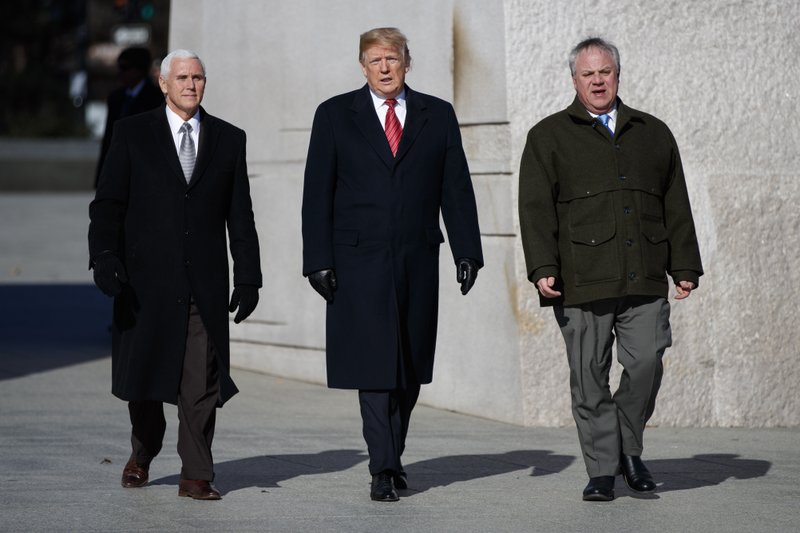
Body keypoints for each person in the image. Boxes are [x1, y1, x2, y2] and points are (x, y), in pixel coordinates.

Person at [301, 27, 483, 502]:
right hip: (357, 261)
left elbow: (455, 187)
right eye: (375, 60)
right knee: (374, 365)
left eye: (393, 59)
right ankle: (382, 467)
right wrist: (317, 260)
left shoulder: (437, 115)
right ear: (362, 66)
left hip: (417, 257)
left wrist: (467, 250)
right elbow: (316, 193)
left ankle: (392, 453)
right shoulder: (335, 115)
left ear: (407, 62)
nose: (384, 68)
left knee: (410, 364)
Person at [518, 37, 703, 502]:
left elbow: (676, 203)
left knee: (645, 364)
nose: (598, 80)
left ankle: (625, 448)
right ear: (574, 80)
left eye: (606, 72)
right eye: (588, 74)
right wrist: (543, 266)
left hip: (644, 274)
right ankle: (604, 471)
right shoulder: (548, 136)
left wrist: (684, 265)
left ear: (618, 75)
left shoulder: (653, 132)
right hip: (580, 281)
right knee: (589, 378)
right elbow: (535, 209)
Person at [88, 49, 262, 501]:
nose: (191, 85)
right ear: (163, 84)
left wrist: (248, 276)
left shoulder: (229, 138)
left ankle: (196, 474)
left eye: (198, 77)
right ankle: (143, 451)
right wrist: (104, 256)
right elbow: (108, 205)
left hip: (202, 283)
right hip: (143, 283)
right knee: (144, 383)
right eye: (181, 77)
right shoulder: (132, 133)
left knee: (201, 381)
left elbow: (240, 216)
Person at [95, 46, 164, 188]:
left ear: (138, 70)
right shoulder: (116, 98)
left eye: (124, 67)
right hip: (119, 165)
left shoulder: (157, 98)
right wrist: (101, 176)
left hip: (145, 169)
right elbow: (109, 136)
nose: (120, 72)